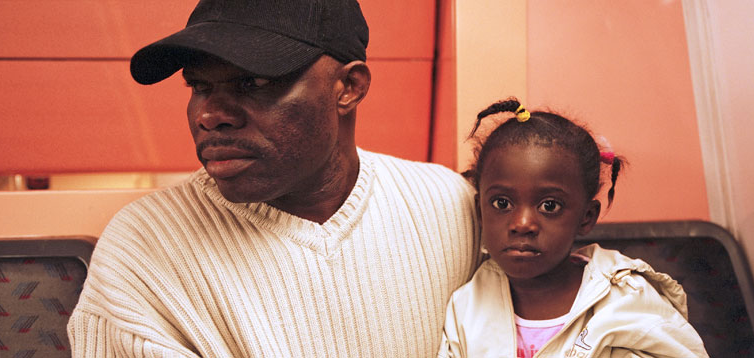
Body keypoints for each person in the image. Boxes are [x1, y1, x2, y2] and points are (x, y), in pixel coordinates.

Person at [67, 0, 479, 356]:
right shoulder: (145, 247)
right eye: (198, 85)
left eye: (253, 82)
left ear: (349, 86)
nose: (210, 116)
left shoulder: (449, 207)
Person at [438, 99, 708, 358]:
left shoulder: (625, 298)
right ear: (480, 212)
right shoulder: (468, 306)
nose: (522, 224)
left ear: (586, 217)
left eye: (550, 206)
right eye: (501, 203)